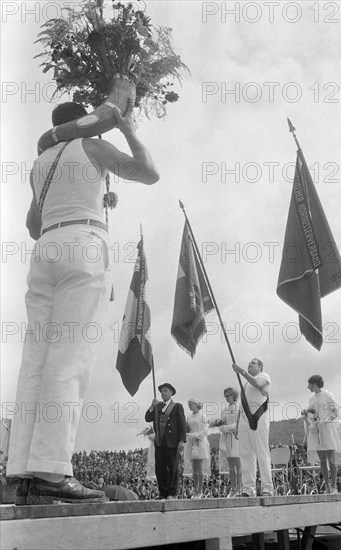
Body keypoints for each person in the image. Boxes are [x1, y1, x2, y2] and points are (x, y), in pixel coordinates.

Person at [7, 100, 159, 505]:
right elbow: (149, 173)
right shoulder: (91, 148)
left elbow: (32, 225)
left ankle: (24, 472)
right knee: (69, 360)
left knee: (36, 361)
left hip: (46, 252)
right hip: (83, 244)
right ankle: (53, 472)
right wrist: (126, 128)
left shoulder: (40, 162)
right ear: (84, 125)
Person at [233, 358, 274, 497]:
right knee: (246, 454)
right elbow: (241, 406)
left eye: (253, 363)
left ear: (260, 367)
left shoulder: (264, 376)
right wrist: (237, 425)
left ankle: (267, 487)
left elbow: (257, 384)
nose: (250, 364)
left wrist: (242, 371)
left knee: (261, 451)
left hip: (259, 416)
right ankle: (248, 488)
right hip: (245, 419)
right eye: (248, 363)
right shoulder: (245, 384)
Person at [303, 374, 341, 494]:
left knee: (331, 459)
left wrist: (326, 420)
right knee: (322, 460)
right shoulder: (311, 399)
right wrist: (310, 418)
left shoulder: (327, 395)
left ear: (314, 384)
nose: (308, 387)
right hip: (317, 431)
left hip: (327, 430)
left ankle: (334, 486)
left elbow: (335, 412)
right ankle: (327, 486)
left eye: (309, 384)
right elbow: (311, 414)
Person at [145, 383, 186, 499]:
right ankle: (162, 492)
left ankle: (172, 493)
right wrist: (152, 406)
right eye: (162, 391)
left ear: (171, 393)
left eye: (166, 390)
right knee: (160, 468)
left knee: (173, 468)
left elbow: (181, 424)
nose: (163, 393)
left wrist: (182, 440)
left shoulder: (177, 406)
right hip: (159, 442)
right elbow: (147, 418)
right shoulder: (157, 407)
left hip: (172, 441)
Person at [184, 398, 211, 499]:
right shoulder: (189, 417)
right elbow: (187, 428)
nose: (190, 406)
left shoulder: (202, 416)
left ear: (196, 405)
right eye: (189, 404)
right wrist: (188, 435)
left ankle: (200, 490)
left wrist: (195, 435)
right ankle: (195, 489)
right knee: (194, 468)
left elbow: (205, 430)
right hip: (191, 442)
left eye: (191, 404)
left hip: (200, 442)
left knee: (199, 467)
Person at [218, 387, 242, 498]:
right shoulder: (224, 410)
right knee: (231, 465)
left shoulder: (239, 407)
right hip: (228, 438)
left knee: (238, 464)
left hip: (237, 438)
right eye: (225, 396)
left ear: (233, 395)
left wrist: (228, 427)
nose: (227, 398)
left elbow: (239, 424)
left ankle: (239, 488)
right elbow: (221, 426)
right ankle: (233, 488)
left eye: (228, 396)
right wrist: (225, 428)